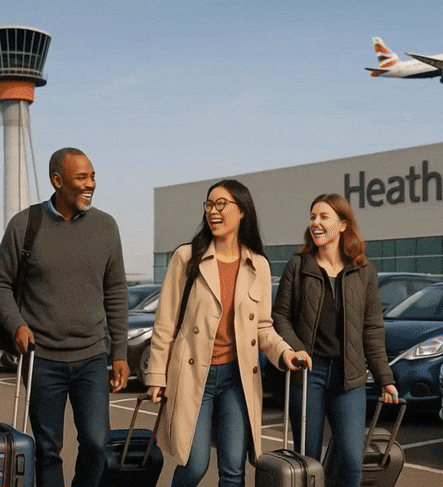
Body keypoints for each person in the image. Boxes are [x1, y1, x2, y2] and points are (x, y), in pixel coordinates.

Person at [145, 179, 310, 487]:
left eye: (222, 204)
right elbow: (165, 324)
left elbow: (263, 327)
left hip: (238, 379)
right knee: (194, 465)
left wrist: (285, 352)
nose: (213, 211)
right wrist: (156, 375)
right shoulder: (186, 258)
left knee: (234, 472)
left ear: (242, 211)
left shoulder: (257, 264)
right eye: (209, 204)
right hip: (195, 375)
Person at [0, 147, 129, 487]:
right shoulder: (25, 224)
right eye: (82, 177)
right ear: (57, 181)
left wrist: (120, 353)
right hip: (42, 360)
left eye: (92, 176)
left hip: (92, 357)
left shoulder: (106, 227)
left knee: (97, 443)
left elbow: (116, 292)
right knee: (48, 450)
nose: (90, 184)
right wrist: (17, 324)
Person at [272, 193, 399, 487]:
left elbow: (372, 329)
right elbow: (280, 317)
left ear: (343, 224)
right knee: (308, 462)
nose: (316, 223)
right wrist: (298, 350)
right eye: (313, 217)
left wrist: (385, 378)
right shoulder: (298, 265)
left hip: (349, 379)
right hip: (308, 376)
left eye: (324, 217)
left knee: (352, 462)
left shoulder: (363, 271)